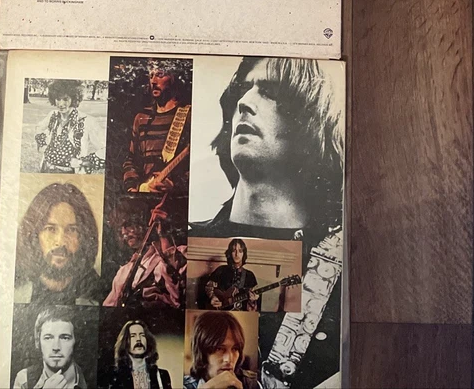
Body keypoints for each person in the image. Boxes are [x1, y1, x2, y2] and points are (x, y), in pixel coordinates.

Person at [188, 58, 344, 388]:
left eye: (271, 92)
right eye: (242, 90)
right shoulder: (178, 247)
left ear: (315, 120)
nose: (245, 103)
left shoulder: (346, 266)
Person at [15, 183, 103, 305]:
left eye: (72, 230)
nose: (61, 242)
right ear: (34, 235)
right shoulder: (13, 290)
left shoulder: (100, 295)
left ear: (84, 236)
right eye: (51, 229)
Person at [103, 199, 187, 308]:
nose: (123, 232)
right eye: (120, 228)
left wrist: (163, 237)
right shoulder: (123, 271)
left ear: (144, 223)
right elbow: (109, 308)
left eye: (128, 225)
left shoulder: (179, 253)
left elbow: (179, 298)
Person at [122, 62, 190, 194]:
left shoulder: (188, 115)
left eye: (160, 75)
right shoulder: (141, 118)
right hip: (143, 196)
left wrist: (176, 186)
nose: (153, 81)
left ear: (174, 78)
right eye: (151, 75)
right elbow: (131, 159)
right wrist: (133, 187)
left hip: (174, 199)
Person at [13, 307, 88, 388]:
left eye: (65, 338)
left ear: (76, 341)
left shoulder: (90, 379)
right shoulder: (24, 379)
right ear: (38, 342)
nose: (56, 347)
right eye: (48, 338)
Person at [183, 312, 260, 389]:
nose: (228, 359)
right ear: (202, 352)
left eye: (235, 348)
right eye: (219, 349)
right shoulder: (184, 385)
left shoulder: (253, 383)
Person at [34, 80, 85, 173]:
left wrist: (81, 162)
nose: (61, 104)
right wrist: (42, 144)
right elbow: (39, 128)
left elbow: (99, 148)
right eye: (58, 99)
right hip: (47, 168)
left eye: (65, 99)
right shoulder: (53, 115)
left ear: (74, 99)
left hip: (68, 172)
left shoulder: (80, 120)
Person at [109, 319, 172, 389]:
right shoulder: (115, 376)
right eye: (133, 336)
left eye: (142, 335)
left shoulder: (162, 376)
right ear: (125, 342)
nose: (138, 339)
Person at [201, 239, 259, 311]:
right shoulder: (221, 270)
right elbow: (208, 288)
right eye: (234, 250)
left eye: (240, 251)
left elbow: (253, 308)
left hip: (241, 315)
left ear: (244, 254)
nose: (237, 254)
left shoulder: (250, 276)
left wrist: (252, 301)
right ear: (229, 253)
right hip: (221, 313)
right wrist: (212, 297)